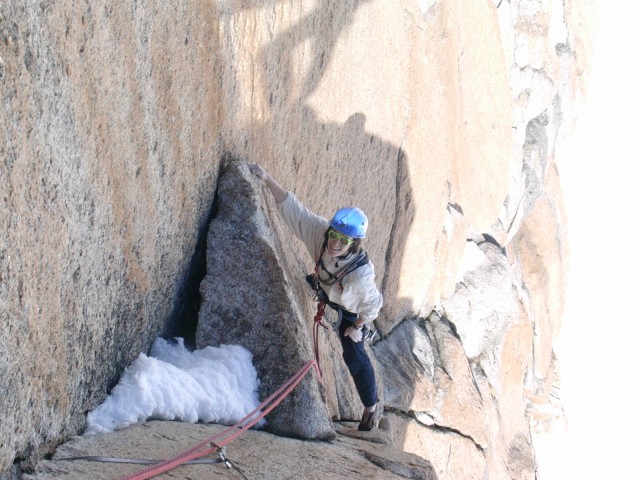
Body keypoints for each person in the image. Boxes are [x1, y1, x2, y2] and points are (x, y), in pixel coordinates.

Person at [249, 163, 383, 431]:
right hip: (327, 290)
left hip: (352, 310)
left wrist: (358, 328)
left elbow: (374, 306)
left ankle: (371, 407)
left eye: (343, 240)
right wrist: (267, 179)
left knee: (354, 356)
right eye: (334, 235)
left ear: (354, 244)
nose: (335, 243)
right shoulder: (322, 236)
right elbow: (296, 212)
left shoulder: (361, 278)